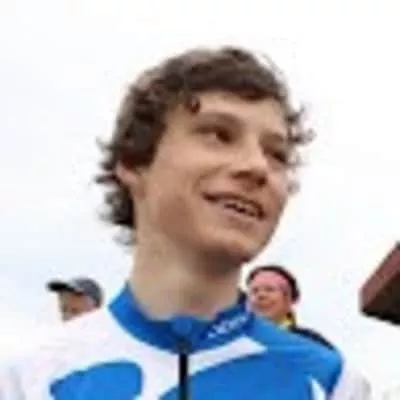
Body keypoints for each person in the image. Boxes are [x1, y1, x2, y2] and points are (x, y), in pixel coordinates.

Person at [0, 46, 370, 399]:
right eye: (219, 135)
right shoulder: (29, 379)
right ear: (134, 162)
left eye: (277, 154)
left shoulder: (331, 383)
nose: (258, 166)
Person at [246, 264, 335, 348]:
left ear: (290, 299)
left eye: (270, 289)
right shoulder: (240, 339)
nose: (261, 295)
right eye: (254, 291)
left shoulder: (311, 342)